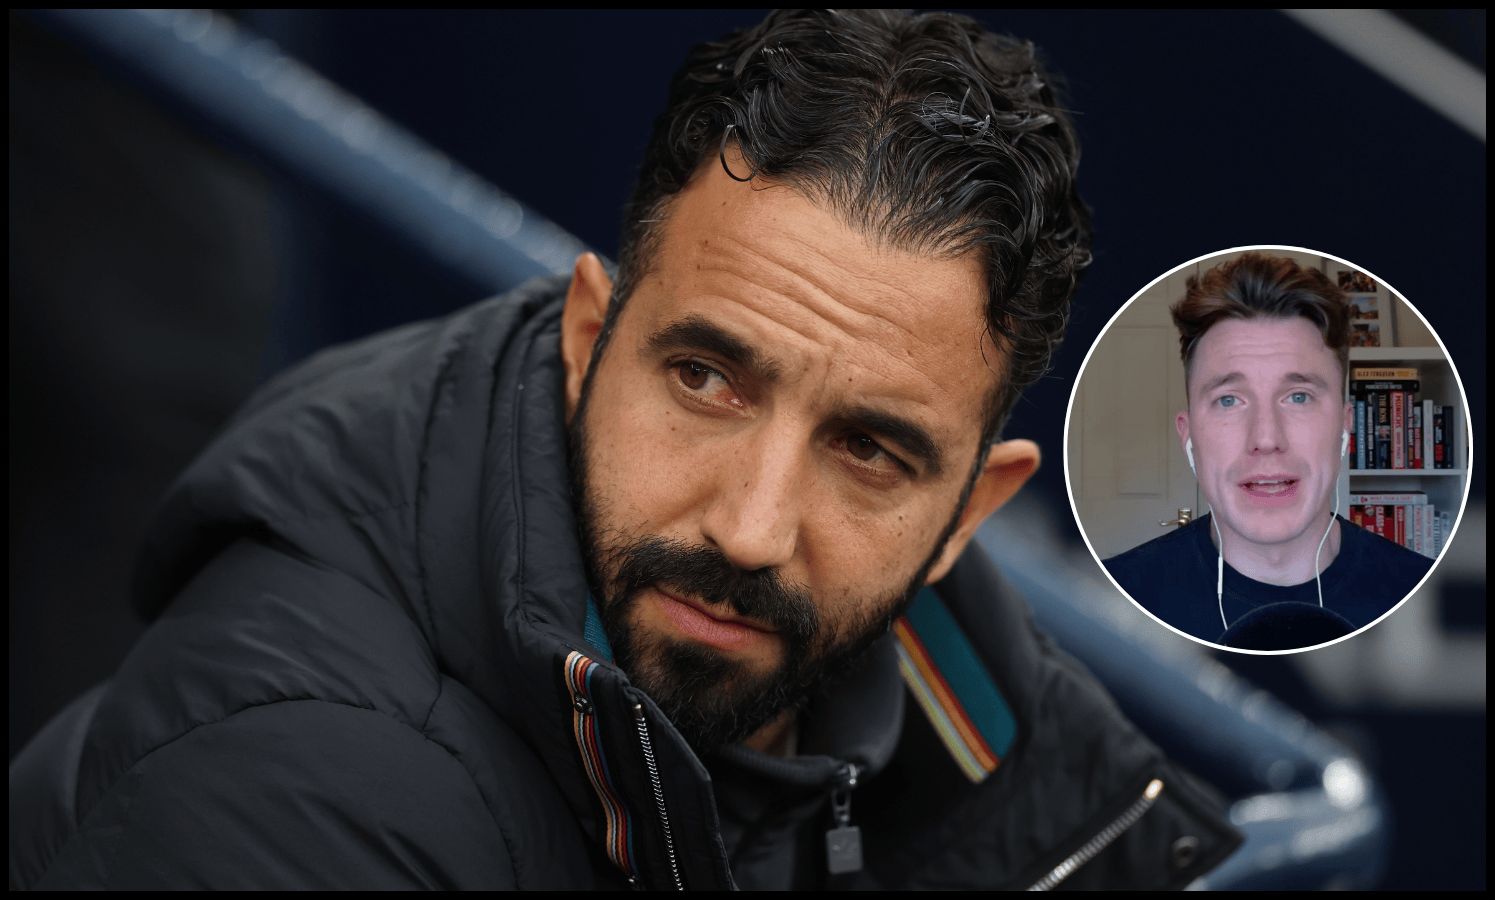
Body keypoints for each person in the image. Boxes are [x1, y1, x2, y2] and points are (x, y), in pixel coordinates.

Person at [10, 10, 1241, 889]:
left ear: (968, 516)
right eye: (704, 380)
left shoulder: (963, 704)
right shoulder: (300, 782)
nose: (749, 528)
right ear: (587, 336)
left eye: (868, 450)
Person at [1104, 253, 1433, 650]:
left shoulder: (1413, 585)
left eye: (1298, 397)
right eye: (1229, 400)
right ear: (1188, 434)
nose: (1265, 437)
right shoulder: (1115, 601)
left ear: (1345, 425)